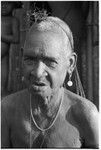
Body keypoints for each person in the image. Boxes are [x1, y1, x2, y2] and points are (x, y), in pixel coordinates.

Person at [1, 16, 99, 148]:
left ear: (70, 64)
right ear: (22, 56)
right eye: (30, 59)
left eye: (50, 62)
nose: (37, 72)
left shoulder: (85, 115)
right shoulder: (7, 110)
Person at [1, 1, 22, 97]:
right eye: (1, 3)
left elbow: (16, 38)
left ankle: (2, 90)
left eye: (8, 3)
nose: (3, 6)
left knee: (4, 70)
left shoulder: (13, 20)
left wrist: (1, 36)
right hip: (4, 51)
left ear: (14, 5)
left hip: (4, 53)